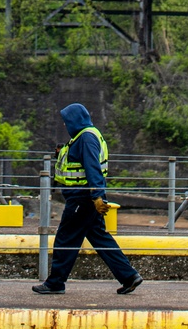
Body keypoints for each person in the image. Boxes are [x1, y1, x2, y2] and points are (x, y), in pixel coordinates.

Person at [32, 102, 143, 296]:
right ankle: (129, 276)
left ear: (75, 120)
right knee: (99, 238)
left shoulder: (86, 138)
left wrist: (97, 196)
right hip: (86, 198)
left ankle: (55, 283)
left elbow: (93, 168)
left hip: (82, 198)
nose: (65, 125)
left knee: (66, 238)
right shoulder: (82, 137)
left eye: (67, 121)